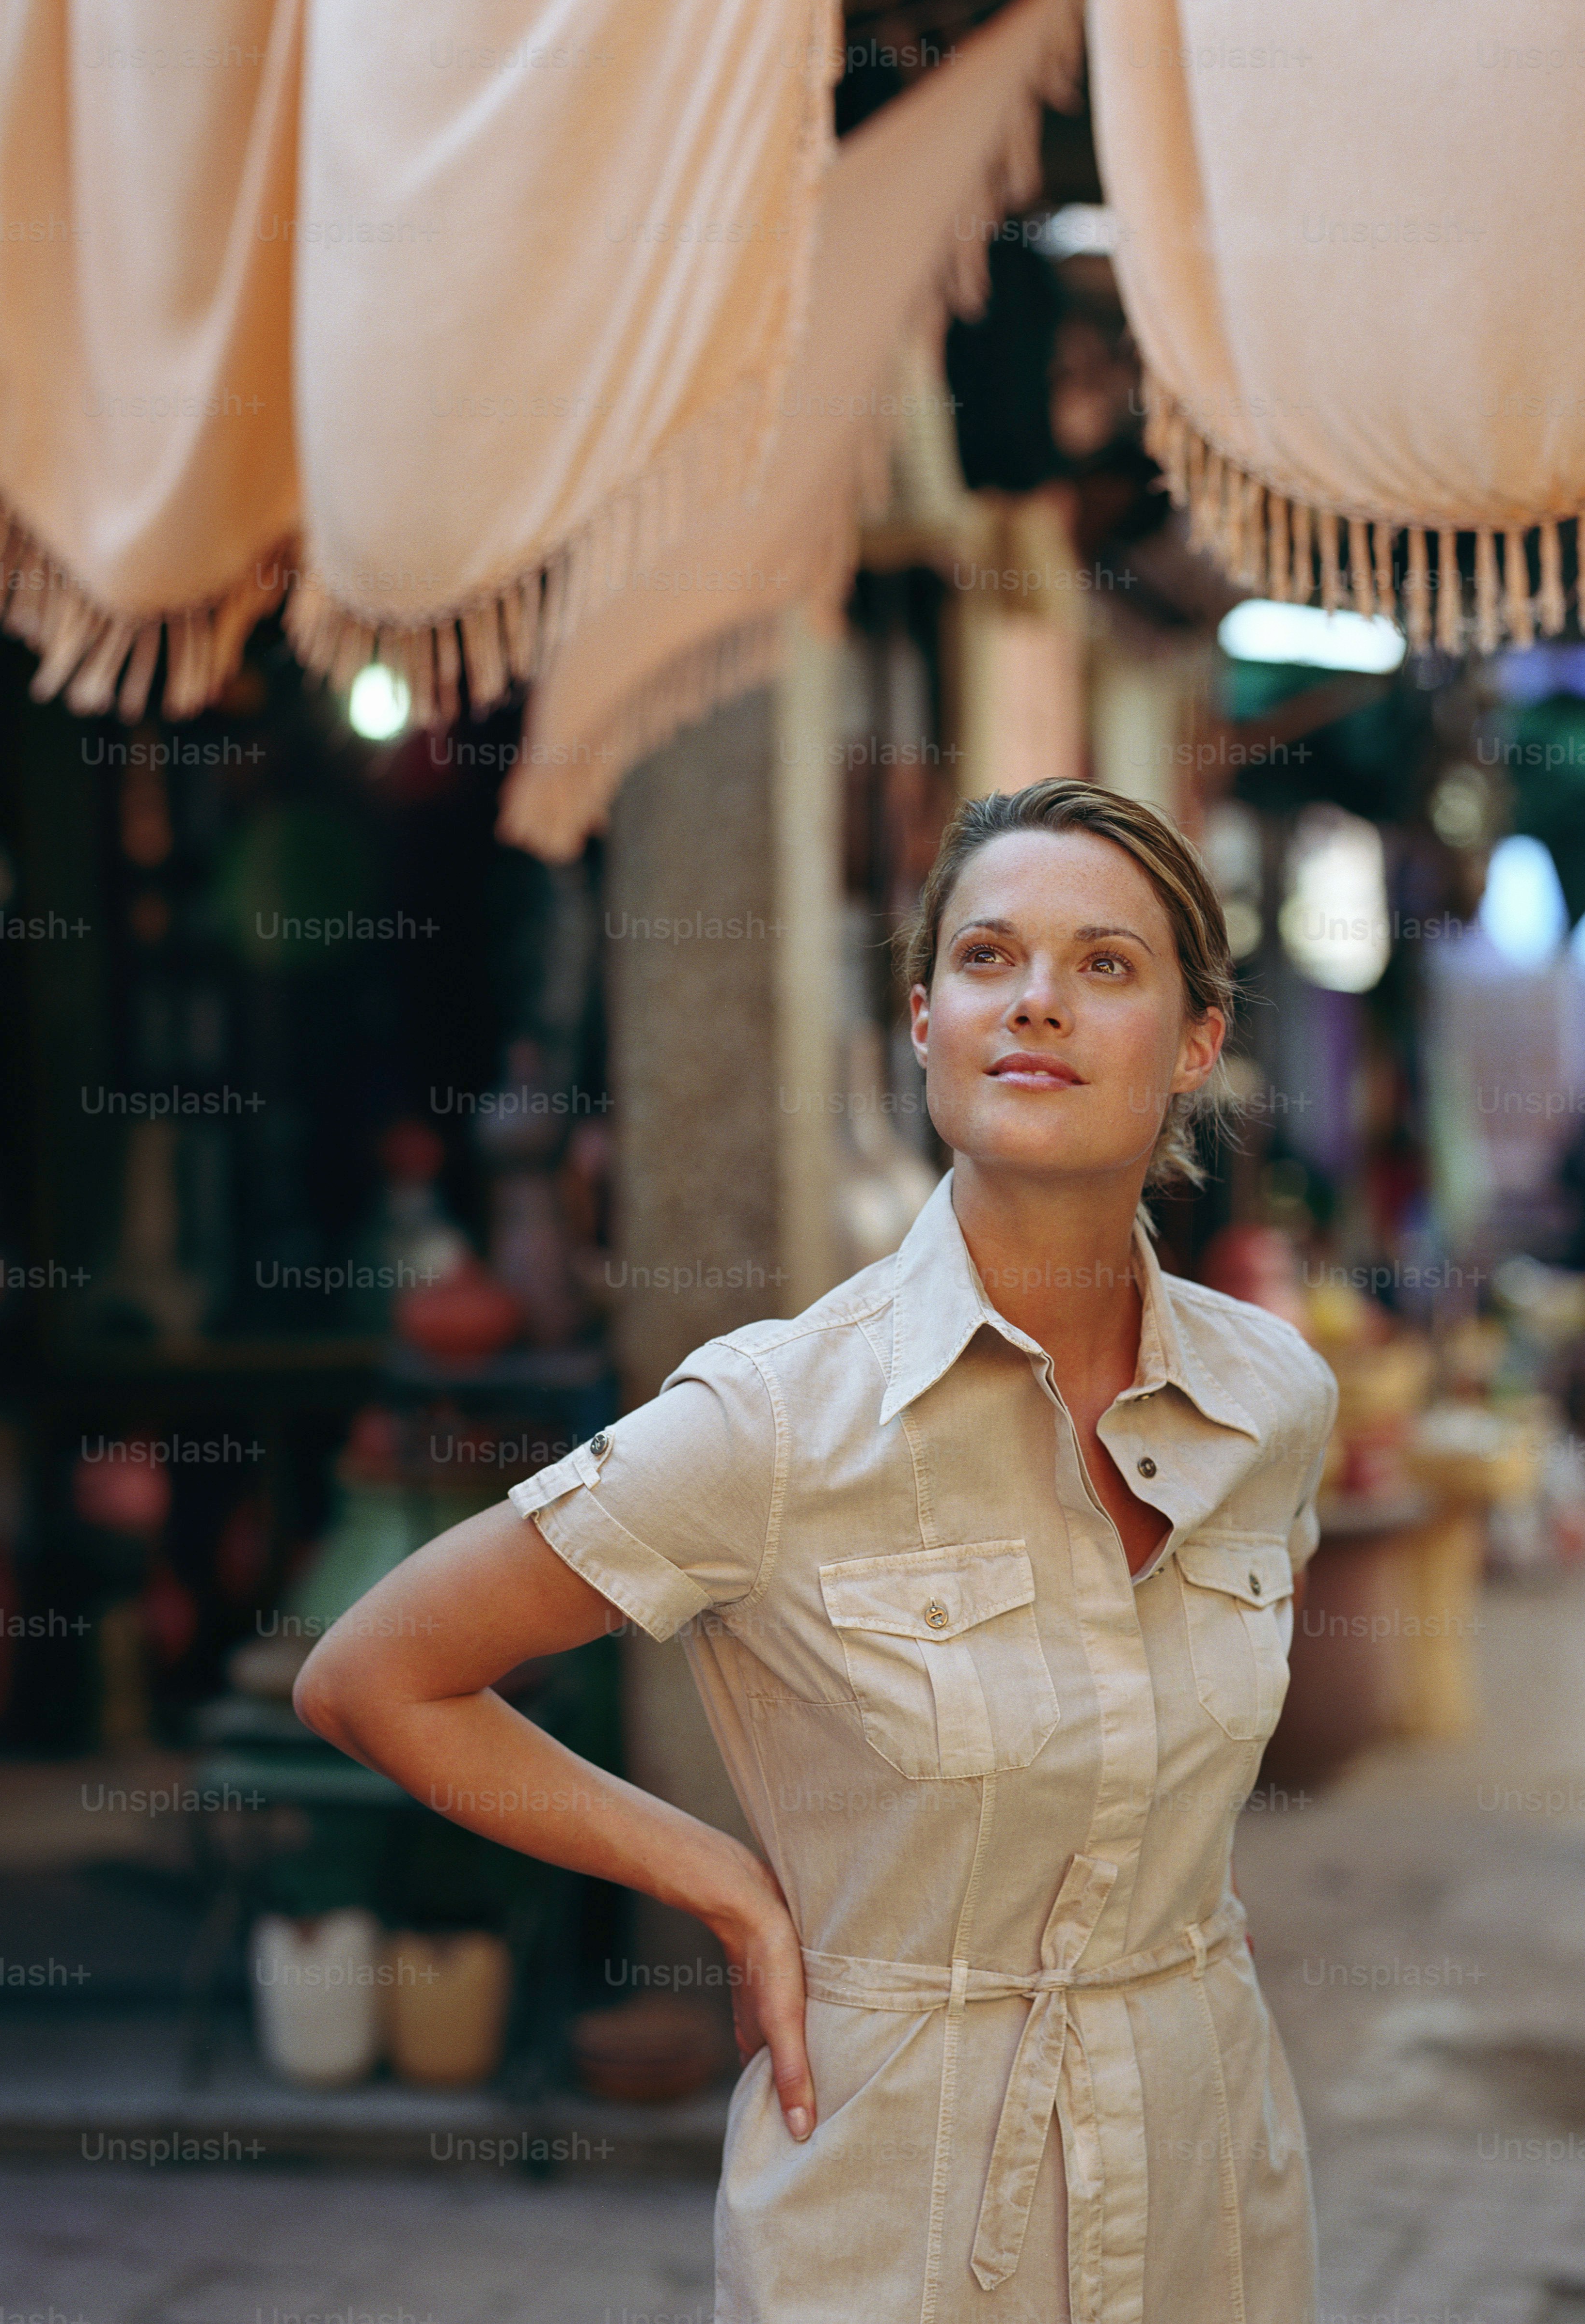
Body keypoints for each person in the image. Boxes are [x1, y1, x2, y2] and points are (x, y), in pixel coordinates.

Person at [295, 777, 1339, 2322]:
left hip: (1206, 2173)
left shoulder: (1271, 1398)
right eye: (987, 958)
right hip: (894, 2206)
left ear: (1196, 1041)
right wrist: (717, 1877)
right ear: (922, 1021)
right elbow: (377, 1675)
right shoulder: (776, 1417)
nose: (1035, 1002)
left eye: (1105, 965)